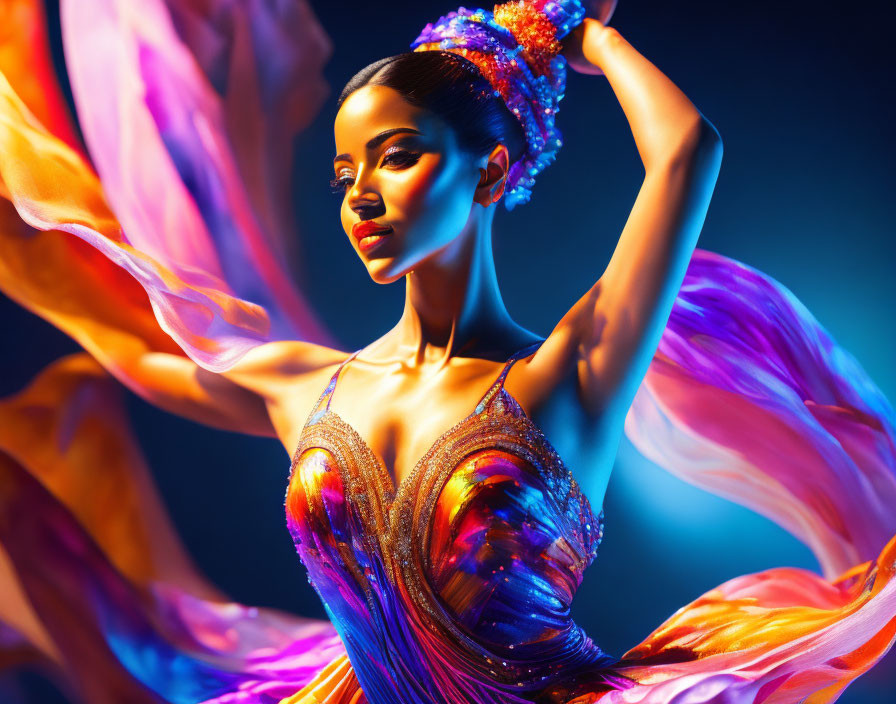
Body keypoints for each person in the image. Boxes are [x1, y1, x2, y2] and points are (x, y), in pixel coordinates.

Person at [0, 0, 893, 702]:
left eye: (395, 157)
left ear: (492, 172)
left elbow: (687, 152)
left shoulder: (568, 377)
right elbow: (135, 347)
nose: (361, 196)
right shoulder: (300, 384)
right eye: (347, 173)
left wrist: (581, 40)